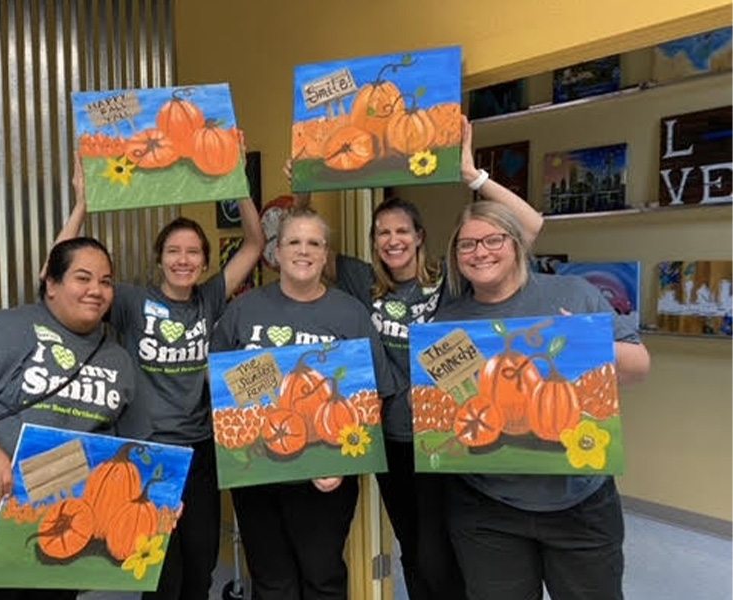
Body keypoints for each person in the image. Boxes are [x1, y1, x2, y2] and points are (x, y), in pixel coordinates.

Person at [289, 116, 544, 599]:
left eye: (401, 230)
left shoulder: (448, 279)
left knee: (445, 549)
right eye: (382, 233)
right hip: (392, 438)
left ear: (420, 235)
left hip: (448, 435)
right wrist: (303, 195)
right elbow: (302, 247)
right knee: (413, 547)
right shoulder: (362, 284)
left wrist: (474, 176)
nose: (392, 241)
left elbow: (531, 229)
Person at [51, 155, 263, 600]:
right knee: (160, 570)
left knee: (201, 564)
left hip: (200, 451)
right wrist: (82, 204)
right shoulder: (129, 301)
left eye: (192, 252)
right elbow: (57, 271)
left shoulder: (208, 299)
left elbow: (254, 244)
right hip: (147, 453)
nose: (183, 260)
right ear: (159, 258)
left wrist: (238, 181)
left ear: (205, 261)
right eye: (173, 251)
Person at [437, 200, 651, 600]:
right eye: (466, 245)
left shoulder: (573, 293)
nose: (480, 252)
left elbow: (639, 368)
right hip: (486, 508)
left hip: (580, 503)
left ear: (516, 242)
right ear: (455, 256)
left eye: (493, 239)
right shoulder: (448, 323)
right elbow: (456, 408)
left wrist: (585, 340)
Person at [0, 236, 146, 600]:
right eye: (83, 278)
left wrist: (152, 500)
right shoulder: (7, 329)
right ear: (52, 284)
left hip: (53, 533)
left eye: (105, 282)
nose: (96, 290)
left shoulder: (118, 361)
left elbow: (122, 449)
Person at [211, 207, 397, 600]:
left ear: (326, 254)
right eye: (293, 241)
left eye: (314, 242)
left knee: (322, 578)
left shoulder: (350, 313)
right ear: (276, 251)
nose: (303, 250)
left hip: (326, 479)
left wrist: (342, 464)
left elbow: (370, 396)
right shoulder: (243, 311)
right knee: (271, 579)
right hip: (257, 474)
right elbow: (221, 388)